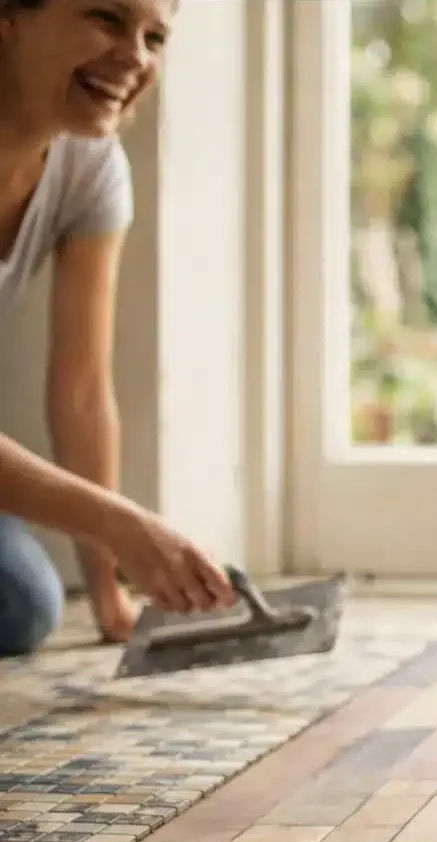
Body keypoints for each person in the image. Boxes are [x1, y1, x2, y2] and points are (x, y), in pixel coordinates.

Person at [0, 0, 233, 656]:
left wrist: (109, 594)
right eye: (106, 18)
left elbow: (80, 392)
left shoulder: (89, 167)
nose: (137, 56)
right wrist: (121, 523)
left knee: (22, 602)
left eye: (154, 36)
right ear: (10, 16)